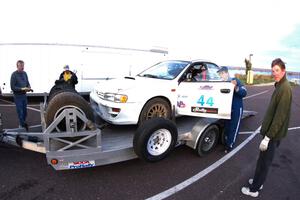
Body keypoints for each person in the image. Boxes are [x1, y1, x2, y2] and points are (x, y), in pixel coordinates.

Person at [241, 58, 292, 197]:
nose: (274, 73)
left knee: (264, 162)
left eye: (277, 70)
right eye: (272, 70)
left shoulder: (285, 89)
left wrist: (268, 137)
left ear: (283, 71)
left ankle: (254, 189)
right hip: (271, 132)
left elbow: (280, 116)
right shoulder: (280, 86)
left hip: (272, 135)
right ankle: (259, 181)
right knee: (263, 160)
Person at [217, 66, 247, 152]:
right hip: (227, 109)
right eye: (220, 74)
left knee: (234, 127)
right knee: (227, 127)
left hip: (236, 108)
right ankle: (227, 142)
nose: (221, 76)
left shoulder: (235, 80)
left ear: (226, 73)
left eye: (222, 73)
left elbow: (244, 92)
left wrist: (236, 87)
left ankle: (229, 145)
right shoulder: (222, 83)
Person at [10, 60, 33, 131]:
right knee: (20, 112)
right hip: (18, 96)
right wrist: (22, 89)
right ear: (17, 66)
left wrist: (29, 87)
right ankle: (21, 125)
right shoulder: (14, 75)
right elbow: (13, 87)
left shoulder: (25, 73)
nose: (22, 67)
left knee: (25, 111)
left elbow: (27, 83)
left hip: (24, 96)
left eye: (23, 65)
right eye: (21, 66)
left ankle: (23, 123)